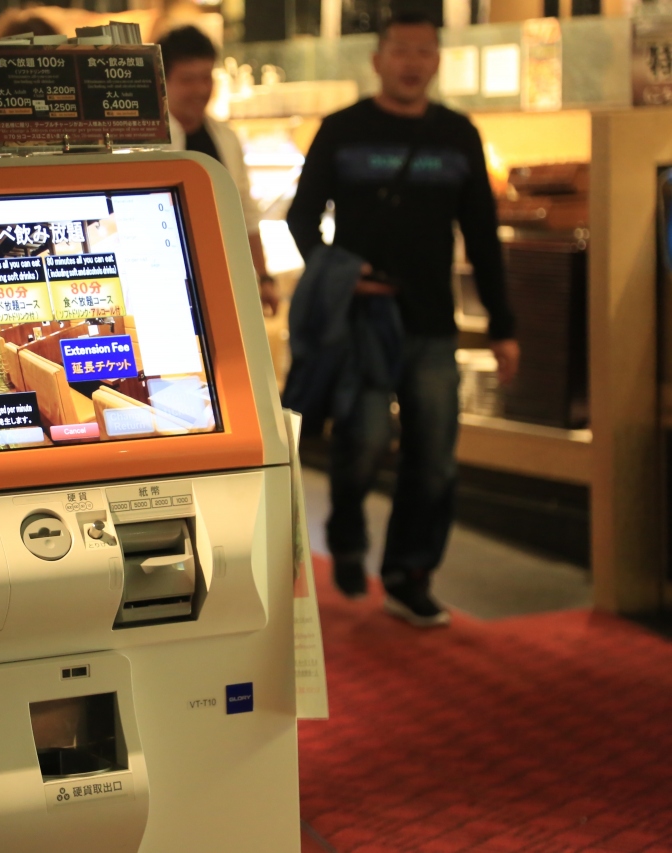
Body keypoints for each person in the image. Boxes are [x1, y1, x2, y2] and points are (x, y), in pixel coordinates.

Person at [286, 11, 520, 627]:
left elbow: (482, 235)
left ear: (437, 60)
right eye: (401, 50)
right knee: (363, 443)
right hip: (362, 321)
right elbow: (301, 218)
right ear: (378, 59)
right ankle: (346, 534)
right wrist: (341, 273)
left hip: (431, 323)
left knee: (435, 458)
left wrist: (503, 325)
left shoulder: (458, 134)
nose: (413, 62)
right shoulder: (342, 129)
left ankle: (409, 575)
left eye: (424, 51)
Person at [158, 25, 277, 314]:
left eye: (206, 78)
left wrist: (264, 277)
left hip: (223, 274)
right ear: (161, 81)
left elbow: (245, 210)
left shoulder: (226, 137)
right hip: (167, 279)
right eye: (188, 80)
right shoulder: (149, 146)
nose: (200, 90)